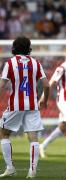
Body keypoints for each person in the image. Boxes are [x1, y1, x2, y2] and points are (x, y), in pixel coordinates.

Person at [0, 36, 50, 178]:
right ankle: (32, 171)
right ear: (29, 48)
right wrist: (45, 100)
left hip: (16, 104)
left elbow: (2, 85)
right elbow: (46, 84)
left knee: (3, 133)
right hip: (33, 104)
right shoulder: (36, 63)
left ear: (14, 47)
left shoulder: (10, 63)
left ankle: (10, 168)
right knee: (33, 137)